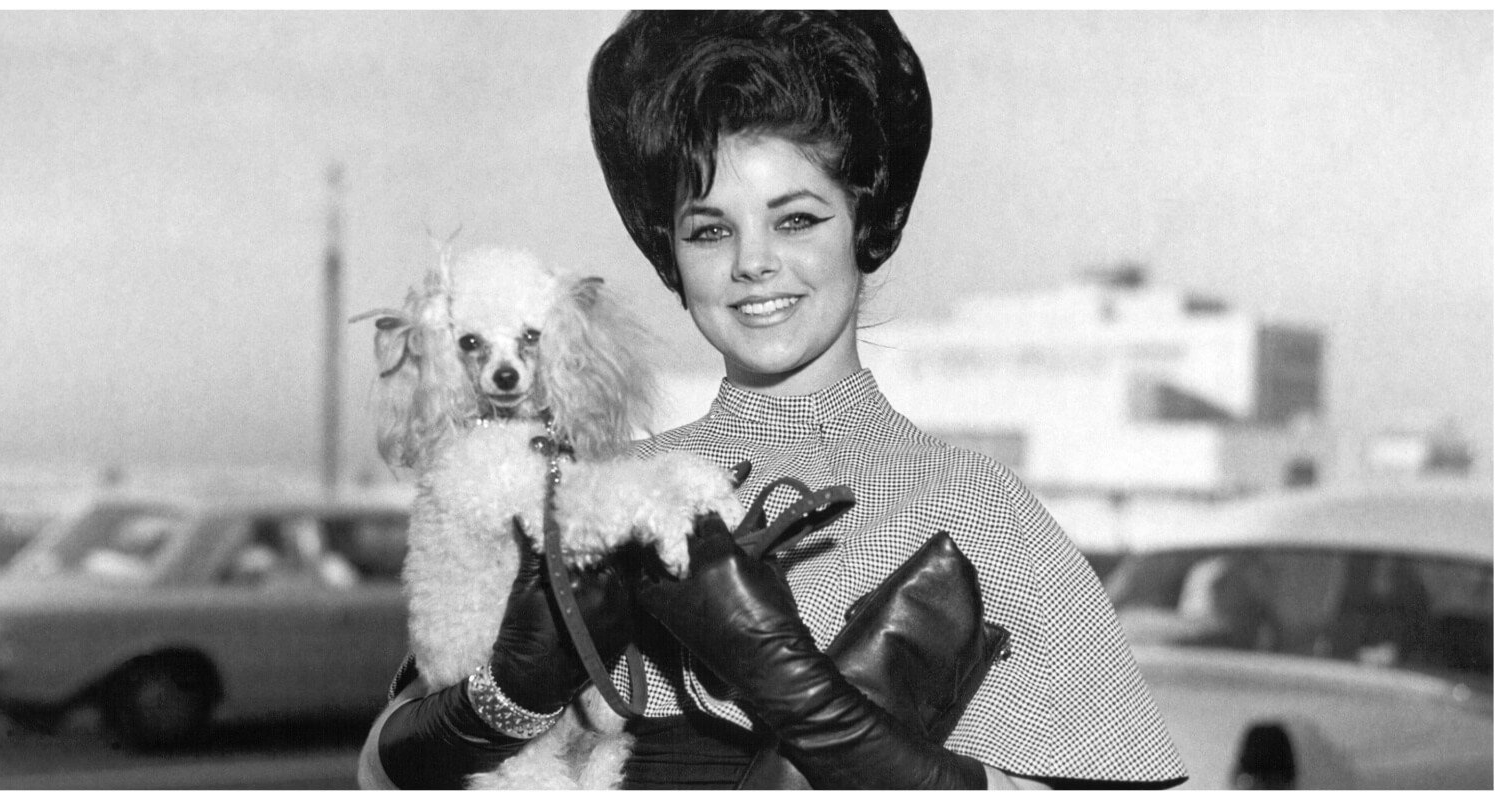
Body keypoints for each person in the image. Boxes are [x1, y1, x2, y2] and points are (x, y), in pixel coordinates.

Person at [360, 10, 1187, 789]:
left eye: (795, 220)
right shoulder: (605, 489)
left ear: (866, 222)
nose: (753, 262)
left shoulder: (978, 508)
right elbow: (376, 769)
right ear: (672, 256)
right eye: (710, 230)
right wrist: (518, 687)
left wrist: (808, 705)